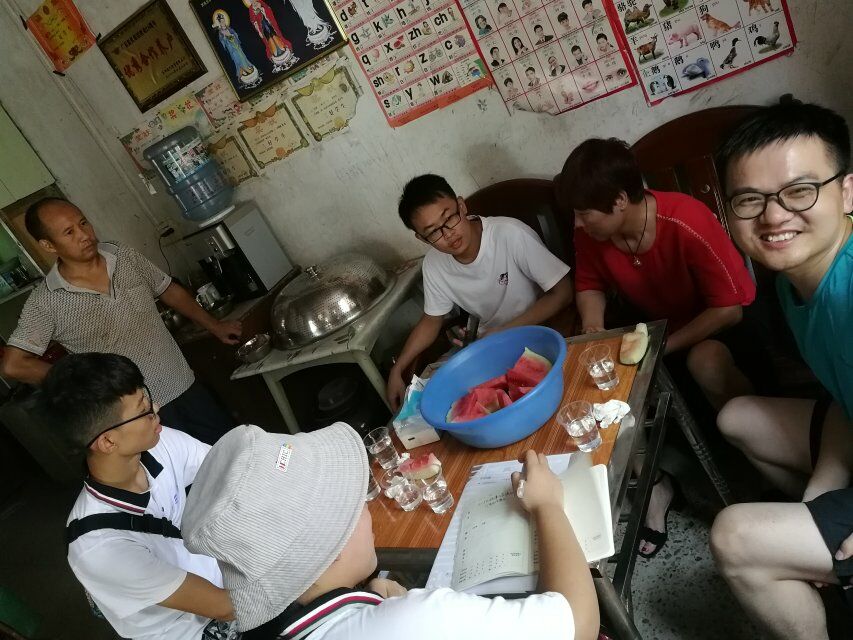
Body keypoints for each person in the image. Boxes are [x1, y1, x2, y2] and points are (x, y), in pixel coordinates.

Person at [182, 423, 601, 640]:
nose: (368, 512)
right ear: (329, 547)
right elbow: (578, 624)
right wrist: (547, 505)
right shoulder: (415, 622)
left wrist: (374, 605)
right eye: (357, 505)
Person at [556, 138, 757, 558]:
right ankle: (656, 486)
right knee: (603, 386)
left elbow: (730, 309)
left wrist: (663, 347)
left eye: (584, 213)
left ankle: (756, 458)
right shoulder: (592, 235)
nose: (579, 224)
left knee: (706, 362)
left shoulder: (685, 219)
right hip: (656, 333)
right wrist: (594, 328)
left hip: (714, 328)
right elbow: (589, 284)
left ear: (619, 200)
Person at [709, 102, 853, 640]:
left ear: (847, 192)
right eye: (750, 199)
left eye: (800, 190)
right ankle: (819, 546)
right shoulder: (796, 286)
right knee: (737, 417)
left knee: (734, 538)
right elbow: (844, 397)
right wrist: (820, 493)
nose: (773, 217)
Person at [3, 197, 240, 444]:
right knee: (183, 469)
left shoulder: (121, 255)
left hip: (184, 384)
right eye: (69, 232)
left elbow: (167, 289)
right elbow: (13, 365)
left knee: (230, 451)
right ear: (48, 245)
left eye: (83, 223)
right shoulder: (46, 300)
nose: (84, 235)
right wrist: (83, 383)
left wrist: (215, 326)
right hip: (136, 416)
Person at [47, 353, 238, 640]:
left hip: (222, 578)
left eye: (146, 396)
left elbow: (231, 468)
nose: (156, 408)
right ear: (108, 441)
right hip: (191, 629)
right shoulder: (99, 547)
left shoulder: (159, 445)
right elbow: (224, 607)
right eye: (143, 409)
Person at [385, 175, 572, 411]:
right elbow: (432, 320)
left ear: (461, 206)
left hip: (541, 333)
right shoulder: (434, 264)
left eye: (449, 218)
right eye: (433, 232)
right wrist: (397, 369)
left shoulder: (509, 234)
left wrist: (502, 331)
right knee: (451, 404)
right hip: (489, 347)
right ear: (421, 238)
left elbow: (563, 292)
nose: (448, 234)